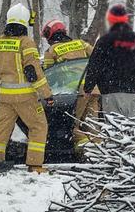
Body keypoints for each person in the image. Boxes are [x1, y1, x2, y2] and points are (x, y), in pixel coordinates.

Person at [0, 4, 53, 174]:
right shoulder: (26, 42)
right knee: (38, 126)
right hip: (26, 98)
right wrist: (47, 94)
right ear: (24, 22)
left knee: (2, 130)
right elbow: (33, 72)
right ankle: (35, 165)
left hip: (5, 98)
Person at [41, 19, 100, 156]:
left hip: (74, 92)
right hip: (93, 90)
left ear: (50, 35)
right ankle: (98, 153)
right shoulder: (81, 44)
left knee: (74, 126)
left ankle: (84, 152)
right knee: (93, 125)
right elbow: (98, 58)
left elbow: (49, 75)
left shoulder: (51, 51)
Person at [83, 4, 135, 117]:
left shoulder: (104, 41)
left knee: (113, 128)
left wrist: (88, 88)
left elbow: (94, 66)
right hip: (131, 92)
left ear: (110, 20)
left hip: (110, 91)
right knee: (130, 129)